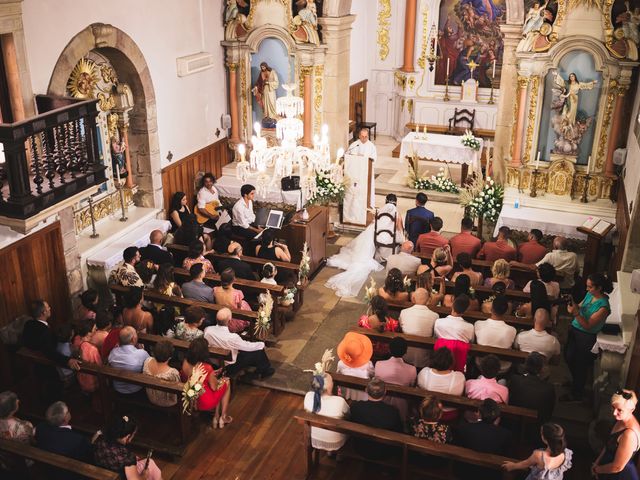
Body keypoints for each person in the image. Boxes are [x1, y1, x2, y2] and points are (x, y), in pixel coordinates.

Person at [325, 194, 398, 297]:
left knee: (368, 237)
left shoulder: (381, 211)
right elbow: (398, 227)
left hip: (376, 234)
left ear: (386, 201)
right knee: (398, 240)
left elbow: (376, 222)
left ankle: (373, 254)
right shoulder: (396, 213)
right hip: (388, 236)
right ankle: (387, 256)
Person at [564, 272, 612, 401]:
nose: (587, 289)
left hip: (586, 337)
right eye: (587, 286)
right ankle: (575, 382)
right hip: (574, 330)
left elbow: (588, 325)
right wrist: (573, 305)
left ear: (599, 288)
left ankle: (576, 393)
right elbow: (580, 306)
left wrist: (575, 313)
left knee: (580, 365)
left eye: (590, 287)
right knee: (569, 357)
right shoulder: (589, 295)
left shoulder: (603, 307)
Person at [21, 300, 80, 401]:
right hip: (45, 366)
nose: (50, 309)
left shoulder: (28, 323)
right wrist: (67, 360)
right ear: (43, 312)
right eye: (48, 307)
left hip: (32, 360)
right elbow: (49, 352)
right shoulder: (45, 332)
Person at [204, 308, 275, 378]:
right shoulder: (232, 337)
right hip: (229, 367)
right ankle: (265, 370)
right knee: (258, 350)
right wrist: (261, 344)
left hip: (214, 363)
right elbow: (247, 346)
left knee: (248, 349)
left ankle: (261, 367)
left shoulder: (207, 330)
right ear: (230, 321)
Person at [454, 399, 513, 479]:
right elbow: (506, 457)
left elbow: (457, 448)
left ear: (478, 414)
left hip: (465, 472)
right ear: (497, 417)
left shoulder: (464, 428)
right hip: (491, 475)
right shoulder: (505, 434)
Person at [181, 337, 231, 428]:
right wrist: (214, 377)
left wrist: (211, 375)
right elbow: (214, 387)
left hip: (192, 396)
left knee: (217, 384)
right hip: (204, 401)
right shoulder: (207, 367)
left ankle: (216, 416)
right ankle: (222, 417)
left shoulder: (185, 362)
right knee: (226, 381)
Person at [93, 415, 163, 480]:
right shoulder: (126, 457)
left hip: (102, 472)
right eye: (133, 435)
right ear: (127, 436)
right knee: (150, 464)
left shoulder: (99, 438)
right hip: (119, 477)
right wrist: (144, 475)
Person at [36, 402, 93, 480]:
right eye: (68, 411)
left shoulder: (40, 428)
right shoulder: (78, 440)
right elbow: (88, 460)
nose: (69, 412)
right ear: (65, 418)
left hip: (47, 471)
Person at [349, 378, 403, 459]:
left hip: (360, 447)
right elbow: (399, 431)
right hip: (385, 451)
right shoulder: (393, 411)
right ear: (385, 392)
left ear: (366, 390)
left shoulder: (356, 406)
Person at [592, 389, 640, 478]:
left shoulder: (629, 435)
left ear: (632, 409)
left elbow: (617, 467)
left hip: (619, 475)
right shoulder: (621, 419)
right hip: (606, 466)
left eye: (619, 410)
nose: (614, 413)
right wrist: (597, 462)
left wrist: (597, 470)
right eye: (613, 407)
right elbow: (607, 444)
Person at [503, 422, 572, 479]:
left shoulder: (539, 455)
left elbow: (524, 464)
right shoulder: (566, 453)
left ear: (546, 439)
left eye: (541, 434)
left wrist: (512, 466)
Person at [303, 373, 350, 452]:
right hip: (335, 442)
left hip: (313, 438)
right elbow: (348, 415)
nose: (333, 383)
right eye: (332, 381)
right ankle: (339, 455)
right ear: (329, 387)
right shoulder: (339, 401)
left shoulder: (308, 396)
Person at [511, 236, 578, 291]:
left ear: (555, 246)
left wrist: (516, 264)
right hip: (568, 287)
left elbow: (534, 267)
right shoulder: (574, 256)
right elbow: (577, 271)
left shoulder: (551, 255)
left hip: (553, 287)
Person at [374, 337, 417, 421]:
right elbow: (412, 387)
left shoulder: (378, 364)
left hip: (381, 403)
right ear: (405, 352)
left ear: (389, 350)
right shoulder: (412, 370)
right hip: (402, 407)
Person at [417, 347, 465, 420]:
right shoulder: (459, 377)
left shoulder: (424, 372)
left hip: (427, 411)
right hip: (449, 413)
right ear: (451, 362)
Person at [510, 352, 556, 424]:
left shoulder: (515, 379)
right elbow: (548, 412)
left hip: (513, 421)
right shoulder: (549, 388)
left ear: (525, 365)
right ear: (541, 369)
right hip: (536, 424)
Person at [475, 295, 517, 373]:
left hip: (481, 364)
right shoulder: (512, 330)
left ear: (491, 309)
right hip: (502, 367)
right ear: (506, 311)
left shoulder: (478, 324)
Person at [399, 288, 439, 368]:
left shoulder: (404, 312)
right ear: (428, 299)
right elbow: (435, 336)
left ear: (413, 299)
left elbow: (400, 329)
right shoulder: (435, 316)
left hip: (405, 355)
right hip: (424, 358)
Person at [108, 327, 150, 395]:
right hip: (136, 389)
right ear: (133, 339)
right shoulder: (142, 354)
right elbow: (149, 366)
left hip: (117, 389)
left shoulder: (113, 353)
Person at [336, 332, 374, 401]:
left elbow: (338, 375)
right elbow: (372, 375)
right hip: (362, 395)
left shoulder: (340, 364)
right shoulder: (368, 365)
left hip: (347, 393)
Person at [143, 340, 181, 407]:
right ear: (170, 357)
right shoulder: (173, 373)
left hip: (150, 396)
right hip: (167, 401)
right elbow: (177, 389)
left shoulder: (147, 361)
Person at [213, 268, 252, 333]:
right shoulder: (237, 293)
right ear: (234, 279)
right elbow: (239, 308)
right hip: (232, 319)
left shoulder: (215, 289)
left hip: (220, 316)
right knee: (244, 304)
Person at [348, 128, 378, 207]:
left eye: (366, 136)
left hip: (366, 172)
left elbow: (373, 158)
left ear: (368, 136)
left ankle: (368, 204)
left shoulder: (371, 146)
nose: (364, 138)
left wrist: (364, 157)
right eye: (362, 136)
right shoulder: (354, 145)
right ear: (359, 136)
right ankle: (354, 205)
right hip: (356, 172)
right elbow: (349, 155)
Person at [76, 319, 101, 394]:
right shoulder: (92, 349)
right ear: (89, 333)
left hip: (81, 379)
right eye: (94, 328)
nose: (96, 329)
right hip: (91, 382)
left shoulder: (77, 340)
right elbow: (100, 366)